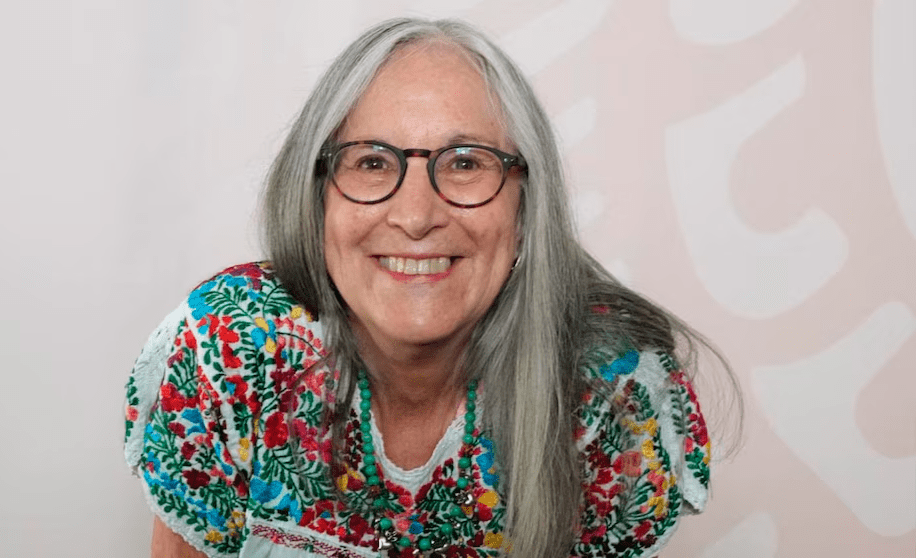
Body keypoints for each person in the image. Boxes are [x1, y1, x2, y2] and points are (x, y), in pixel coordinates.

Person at [124, 17, 732, 558]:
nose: (416, 216)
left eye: (465, 162)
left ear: (526, 209)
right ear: (317, 198)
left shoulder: (614, 389)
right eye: (372, 162)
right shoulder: (227, 345)